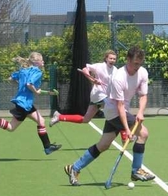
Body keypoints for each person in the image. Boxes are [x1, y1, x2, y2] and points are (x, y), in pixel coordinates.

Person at [64, 46, 155, 186]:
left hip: (119, 111)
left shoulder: (142, 72)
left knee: (104, 145)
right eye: (135, 63)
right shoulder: (118, 77)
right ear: (128, 60)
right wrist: (127, 129)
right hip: (114, 110)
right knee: (143, 133)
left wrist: (141, 112)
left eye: (140, 63)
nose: (138, 66)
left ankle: (74, 168)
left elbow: (143, 95)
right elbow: (119, 106)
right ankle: (136, 170)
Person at [0, 51, 62, 155]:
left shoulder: (23, 70)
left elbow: (11, 78)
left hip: (25, 103)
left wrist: (22, 85)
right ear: (37, 62)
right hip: (24, 104)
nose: (43, 62)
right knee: (11, 127)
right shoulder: (37, 72)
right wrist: (35, 91)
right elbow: (29, 84)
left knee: (41, 121)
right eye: (42, 60)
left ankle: (47, 147)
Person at [50, 50, 125, 142]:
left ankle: (59, 117)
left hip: (105, 95)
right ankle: (124, 135)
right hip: (99, 94)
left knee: (86, 119)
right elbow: (85, 69)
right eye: (110, 58)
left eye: (114, 59)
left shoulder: (115, 70)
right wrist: (92, 80)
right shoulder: (99, 66)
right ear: (106, 58)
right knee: (116, 110)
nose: (112, 60)